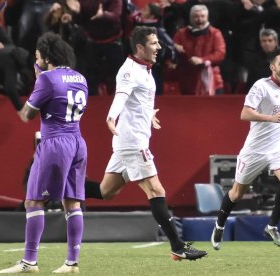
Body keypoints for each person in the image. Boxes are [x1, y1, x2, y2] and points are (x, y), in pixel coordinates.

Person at [86, 26, 207, 261]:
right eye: (154, 43)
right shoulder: (130, 71)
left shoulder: (145, 68)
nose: (159, 47)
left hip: (127, 140)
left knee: (106, 191)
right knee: (156, 190)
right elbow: (121, 96)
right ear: (140, 47)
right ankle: (177, 246)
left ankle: (61, 187)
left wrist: (149, 113)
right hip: (133, 142)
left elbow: (136, 99)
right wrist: (111, 116)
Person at [0, 32, 88, 274]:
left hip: (55, 143)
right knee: (72, 203)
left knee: (33, 200)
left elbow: (27, 114)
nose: (36, 61)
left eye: (38, 56)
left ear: (46, 56)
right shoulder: (80, 77)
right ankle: (72, 262)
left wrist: (38, 80)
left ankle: (29, 261)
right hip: (78, 142)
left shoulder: (47, 78)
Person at [211, 48, 280, 250]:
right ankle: (219, 225)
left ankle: (272, 226)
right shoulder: (261, 86)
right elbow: (244, 113)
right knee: (237, 193)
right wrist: (270, 118)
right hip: (256, 149)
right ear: (272, 66)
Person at [171, 4, 226, 95]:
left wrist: (202, 60)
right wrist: (175, 48)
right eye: (196, 17)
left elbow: (220, 53)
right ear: (190, 18)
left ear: (207, 17)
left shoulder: (215, 33)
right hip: (188, 80)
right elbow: (173, 51)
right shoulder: (181, 33)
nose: (199, 19)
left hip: (213, 81)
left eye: (202, 16)